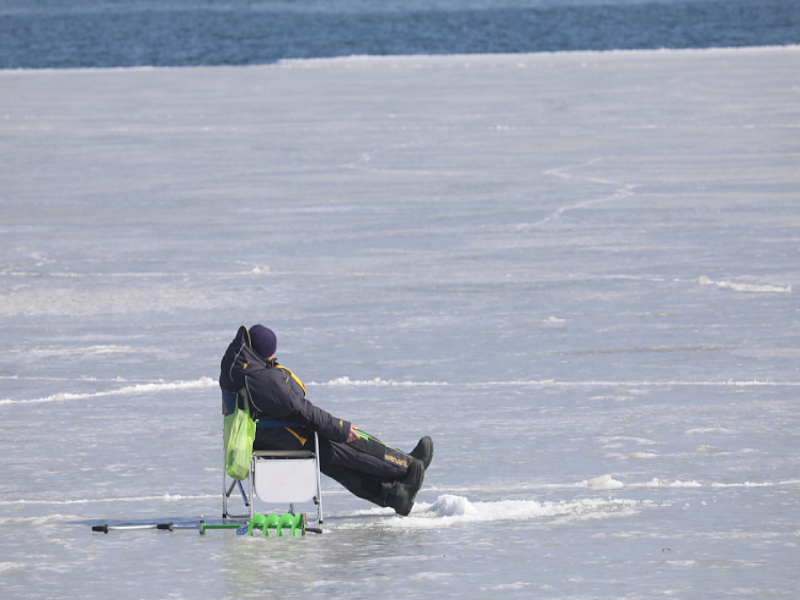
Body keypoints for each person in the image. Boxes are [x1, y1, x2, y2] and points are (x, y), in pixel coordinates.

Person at [219, 324, 433, 516]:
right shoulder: (260, 379)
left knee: (337, 465)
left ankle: (396, 495)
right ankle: (408, 465)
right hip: (285, 435)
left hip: (266, 437)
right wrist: (340, 428)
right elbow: (300, 407)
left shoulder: (238, 367)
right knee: (352, 442)